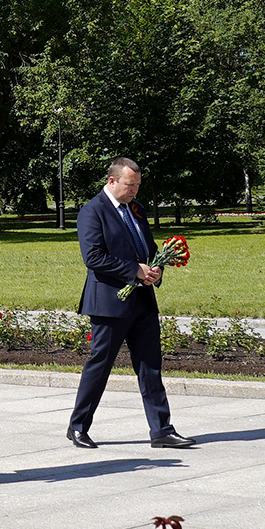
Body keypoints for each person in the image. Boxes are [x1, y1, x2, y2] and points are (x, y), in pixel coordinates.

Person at [66, 157, 192, 450]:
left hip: (142, 301)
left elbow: (147, 249)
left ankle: (161, 429)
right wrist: (133, 270)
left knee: (150, 366)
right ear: (112, 181)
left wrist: (155, 268)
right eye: (129, 184)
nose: (134, 190)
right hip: (109, 303)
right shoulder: (92, 211)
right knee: (100, 365)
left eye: (137, 185)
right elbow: (93, 257)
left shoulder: (136, 210)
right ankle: (78, 426)